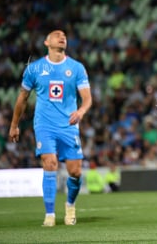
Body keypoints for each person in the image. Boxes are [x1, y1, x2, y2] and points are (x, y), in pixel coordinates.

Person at [9, 30, 92, 227]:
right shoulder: (35, 69)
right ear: (47, 42)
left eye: (64, 35)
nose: (61, 37)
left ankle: (70, 205)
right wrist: (14, 125)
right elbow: (22, 99)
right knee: (50, 163)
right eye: (56, 35)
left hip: (69, 126)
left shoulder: (77, 68)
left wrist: (81, 111)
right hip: (44, 125)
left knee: (76, 171)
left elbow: (87, 98)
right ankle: (50, 215)